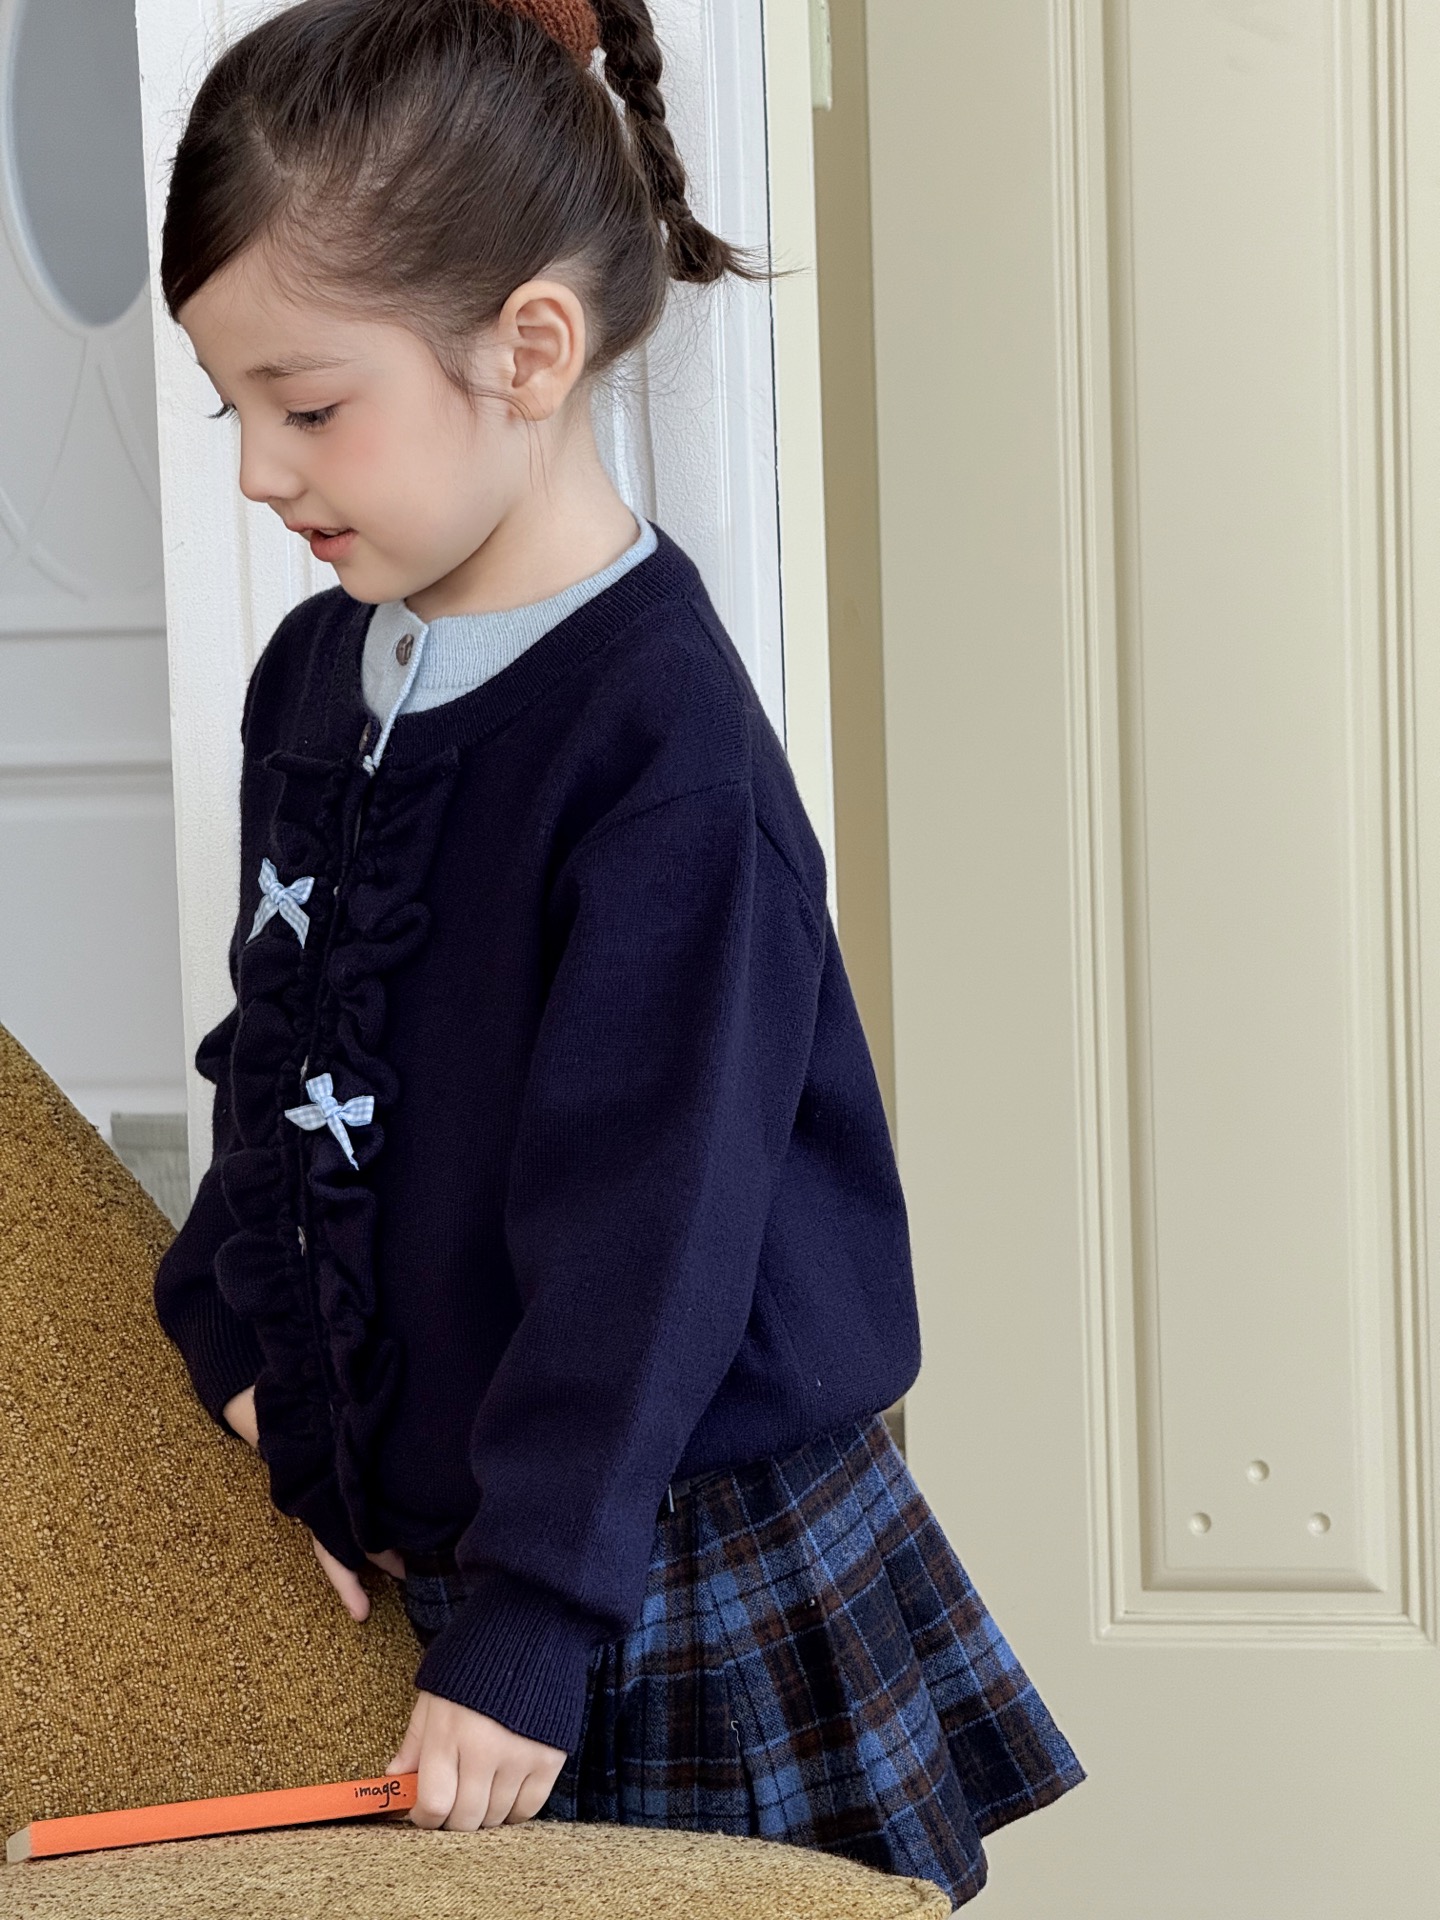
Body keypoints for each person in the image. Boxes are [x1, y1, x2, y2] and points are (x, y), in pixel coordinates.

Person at [149, 0, 1084, 1905]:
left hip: (653, 1554)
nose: (256, 475)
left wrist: (528, 1620)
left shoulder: (661, 751)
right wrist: (248, 1350)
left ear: (529, 350)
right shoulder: (315, 673)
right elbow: (279, 1049)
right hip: (462, 1541)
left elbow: (650, 1232)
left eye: (307, 409)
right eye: (232, 411)